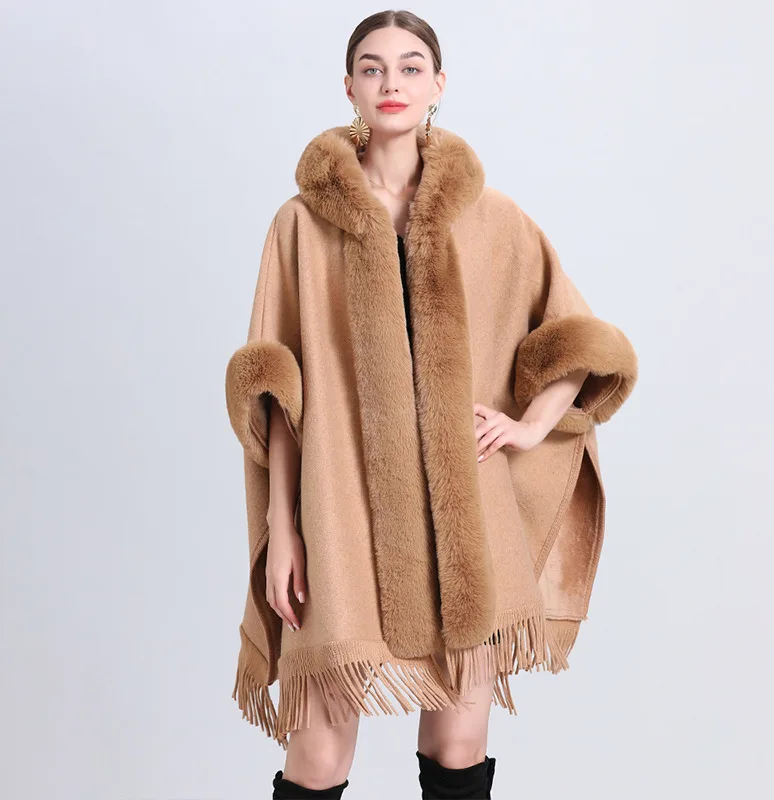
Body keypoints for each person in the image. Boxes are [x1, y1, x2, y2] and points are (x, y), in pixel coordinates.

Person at [224, 10, 639, 800]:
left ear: (438, 85)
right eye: (373, 68)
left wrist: (530, 426)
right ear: (349, 86)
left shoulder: (493, 220)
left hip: (465, 524)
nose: (392, 83)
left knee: (457, 747)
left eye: (411, 67)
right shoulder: (300, 226)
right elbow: (278, 394)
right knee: (319, 756)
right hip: (340, 511)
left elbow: (579, 340)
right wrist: (283, 529)